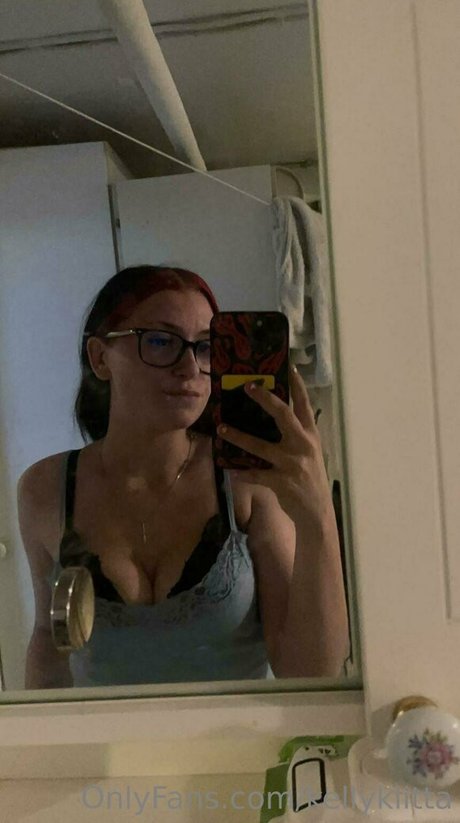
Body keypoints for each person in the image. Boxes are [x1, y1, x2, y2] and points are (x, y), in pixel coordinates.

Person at [18, 265, 349, 688]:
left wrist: (318, 513)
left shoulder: (246, 482)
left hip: (239, 731)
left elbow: (311, 672)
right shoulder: (45, 488)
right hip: (106, 733)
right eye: (161, 341)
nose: (190, 366)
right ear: (100, 358)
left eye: (207, 347)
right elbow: (49, 641)